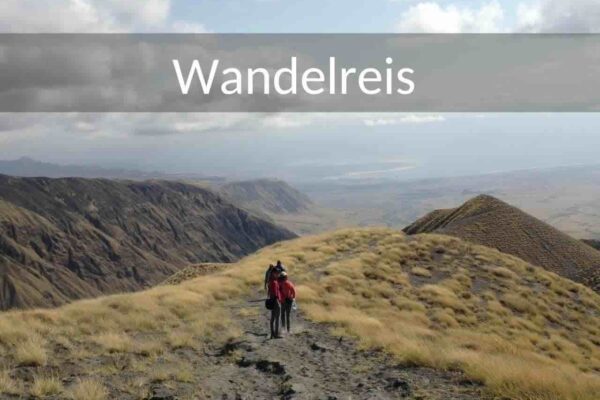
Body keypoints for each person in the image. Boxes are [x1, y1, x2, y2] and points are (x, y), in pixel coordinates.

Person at [267, 269, 284, 339]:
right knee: (277, 318)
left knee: (273, 318)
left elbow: (269, 292)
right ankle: (276, 334)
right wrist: (277, 300)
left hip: (272, 301)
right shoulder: (274, 282)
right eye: (277, 273)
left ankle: (272, 334)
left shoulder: (271, 281)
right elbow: (275, 293)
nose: (278, 275)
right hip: (276, 301)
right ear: (274, 273)